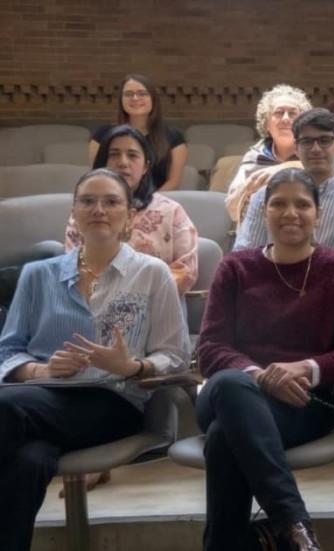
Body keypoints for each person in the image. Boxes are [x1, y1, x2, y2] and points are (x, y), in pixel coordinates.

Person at [0, 168, 190, 551]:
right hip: (40, 396)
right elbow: (7, 350)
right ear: (74, 213)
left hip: (113, 401)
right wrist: (41, 369)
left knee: (4, 407)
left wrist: (133, 367)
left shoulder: (152, 274)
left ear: (129, 215)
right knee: (30, 459)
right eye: (87, 201)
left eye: (111, 201)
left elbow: (176, 356)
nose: (98, 209)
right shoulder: (37, 276)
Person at [195, 168, 334, 551]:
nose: (290, 213)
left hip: (301, 405)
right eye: (278, 204)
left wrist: (305, 368)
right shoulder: (235, 267)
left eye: (302, 205)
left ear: (318, 215)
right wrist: (261, 377)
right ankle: (294, 525)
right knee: (232, 383)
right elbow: (210, 348)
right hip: (228, 392)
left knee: (224, 437)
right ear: (264, 212)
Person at [235, 109, 334, 278]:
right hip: (265, 290)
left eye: (325, 140)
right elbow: (243, 259)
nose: (315, 149)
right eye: (307, 141)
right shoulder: (264, 196)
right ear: (296, 148)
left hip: (331, 293)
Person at [68, 125, 199, 294]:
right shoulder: (86, 211)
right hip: (92, 299)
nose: (123, 162)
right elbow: (72, 266)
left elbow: (186, 271)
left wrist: (134, 291)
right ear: (103, 163)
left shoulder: (171, 211)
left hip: (156, 301)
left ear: (145, 167)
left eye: (132, 155)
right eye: (114, 154)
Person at [224, 85, 334, 222]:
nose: (285, 118)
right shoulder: (255, 156)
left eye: (292, 113)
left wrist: (283, 169)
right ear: (266, 124)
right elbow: (232, 208)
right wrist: (246, 191)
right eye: (279, 113)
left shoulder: (320, 146)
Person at [89, 74, 187, 193]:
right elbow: (97, 176)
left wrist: (149, 201)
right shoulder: (102, 135)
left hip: (158, 200)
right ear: (121, 100)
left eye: (142, 93)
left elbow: (174, 182)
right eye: (128, 94)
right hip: (114, 199)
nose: (135, 98)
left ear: (153, 99)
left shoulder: (174, 137)